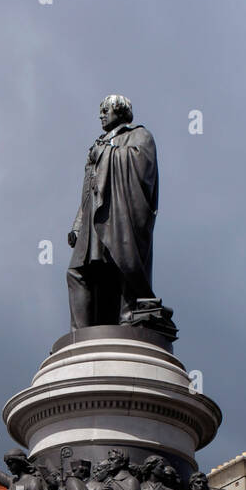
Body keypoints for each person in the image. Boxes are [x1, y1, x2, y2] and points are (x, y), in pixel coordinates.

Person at [67, 95, 159, 330]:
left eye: (106, 109)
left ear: (120, 111)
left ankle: (127, 317)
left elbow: (142, 167)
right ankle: (81, 334)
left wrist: (107, 153)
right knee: (77, 272)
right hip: (92, 219)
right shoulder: (97, 144)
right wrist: (78, 224)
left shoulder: (138, 135)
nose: (101, 115)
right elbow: (89, 189)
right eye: (100, 111)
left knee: (119, 264)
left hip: (117, 217)